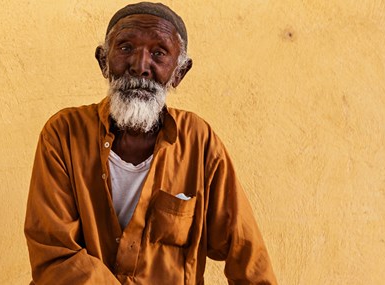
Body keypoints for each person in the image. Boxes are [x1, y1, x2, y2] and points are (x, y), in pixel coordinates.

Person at [24, 2, 277, 284]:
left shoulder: (199, 143)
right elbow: (55, 255)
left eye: (158, 53)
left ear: (179, 73)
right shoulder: (63, 134)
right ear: (103, 62)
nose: (140, 66)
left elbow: (246, 252)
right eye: (125, 48)